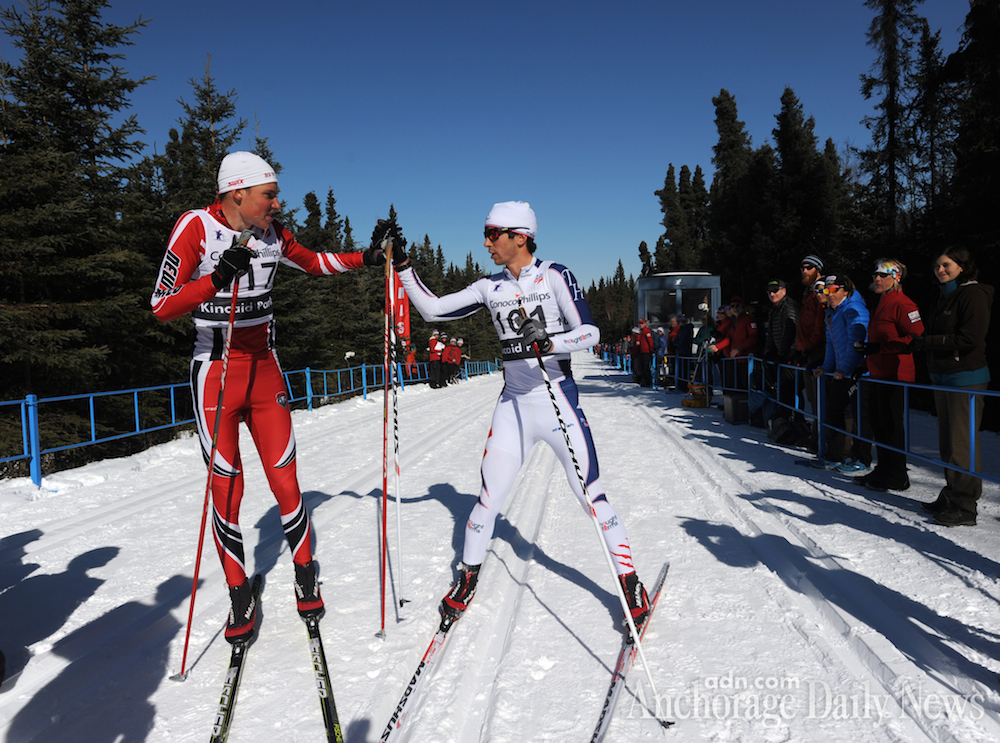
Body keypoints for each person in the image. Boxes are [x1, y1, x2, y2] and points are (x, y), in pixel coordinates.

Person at [380, 202, 651, 632]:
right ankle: (468, 576)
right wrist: (405, 267)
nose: (486, 242)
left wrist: (551, 341)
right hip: (513, 405)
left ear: (520, 236)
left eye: (493, 234)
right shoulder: (490, 286)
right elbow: (433, 310)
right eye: (486, 235)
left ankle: (630, 583)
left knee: (589, 495)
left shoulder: (556, 275)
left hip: (556, 399)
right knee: (489, 495)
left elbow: (591, 333)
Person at [150, 151, 384, 641]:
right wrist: (214, 279)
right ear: (237, 193)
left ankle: (303, 572)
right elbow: (161, 306)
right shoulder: (196, 228)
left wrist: (368, 255)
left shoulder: (273, 234)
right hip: (214, 373)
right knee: (226, 487)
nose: (277, 203)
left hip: (265, 372)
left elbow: (315, 262)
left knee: (285, 479)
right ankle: (239, 594)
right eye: (269, 194)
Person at [915, 247, 993, 526]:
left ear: (963, 266)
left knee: (962, 443)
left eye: (946, 265)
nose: (940, 270)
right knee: (947, 442)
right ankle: (951, 493)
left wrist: (928, 342)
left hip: (966, 376)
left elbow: (970, 338)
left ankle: (965, 504)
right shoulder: (944, 295)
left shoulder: (973, 294)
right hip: (943, 376)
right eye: (936, 266)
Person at [852, 259, 924, 490]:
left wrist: (880, 350)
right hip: (878, 372)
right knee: (877, 422)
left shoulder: (903, 303)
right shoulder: (881, 302)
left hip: (896, 373)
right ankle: (883, 468)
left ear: (896, 278)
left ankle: (898, 474)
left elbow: (916, 338)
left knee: (892, 425)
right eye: (876, 275)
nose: (877, 279)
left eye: (883, 275)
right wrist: (865, 362)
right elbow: (876, 340)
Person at [811, 275, 870, 470]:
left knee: (856, 416)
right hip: (842, 371)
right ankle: (835, 455)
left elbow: (856, 343)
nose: (829, 294)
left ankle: (858, 458)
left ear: (845, 290)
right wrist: (827, 367)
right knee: (833, 411)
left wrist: (845, 369)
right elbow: (831, 345)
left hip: (856, 373)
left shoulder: (854, 309)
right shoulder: (833, 312)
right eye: (826, 291)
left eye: (834, 290)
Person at [793, 256, 827, 451]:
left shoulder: (818, 292)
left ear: (818, 270)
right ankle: (816, 437)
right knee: (813, 399)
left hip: (816, 351)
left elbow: (818, 324)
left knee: (819, 398)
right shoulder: (808, 293)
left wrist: (809, 347)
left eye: (809, 267)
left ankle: (821, 439)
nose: (804, 271)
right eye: (802, 267)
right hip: (807, 349)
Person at [764, 279, 800, 415]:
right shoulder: (774, 309)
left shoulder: (788, 307)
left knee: (790, 389)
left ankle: (794, 419)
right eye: (769, 292)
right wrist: (769, 352)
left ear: (784, 291)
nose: (772, 294)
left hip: (791, 355)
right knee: (783, 389)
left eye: (775, 291)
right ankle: (784, 417)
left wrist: (783, 354)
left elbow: (790, 333)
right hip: (782, 355)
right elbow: (771, 333)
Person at [636, 318, 655, 387]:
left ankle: (647, 381)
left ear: (645, 323)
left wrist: (651, 350)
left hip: (646, 352)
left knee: (646, 367)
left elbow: (650, 341)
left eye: (642, 323)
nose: (640, 325)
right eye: (640, 323)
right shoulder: (643, 331)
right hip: (643, 351)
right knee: (644, 366)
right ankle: (645, 381)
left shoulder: (647, 331)